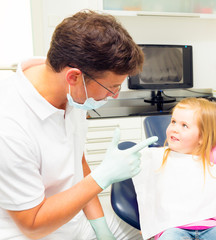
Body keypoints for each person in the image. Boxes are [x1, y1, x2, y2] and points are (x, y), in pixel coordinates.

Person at [0, 10, 157, 240]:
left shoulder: (71, 90)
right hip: (35, 231)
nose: (114, 95)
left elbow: (77, 160)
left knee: (154, 232)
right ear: (74, 77)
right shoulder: (10, 126)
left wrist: (100, 226)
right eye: (112, 87)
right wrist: (101, 177)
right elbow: (32, 225)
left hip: (75, 219)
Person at [132, 98, 216, 240]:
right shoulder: (162, 156)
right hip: (173, 225)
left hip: (211, 224)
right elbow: (151, 192)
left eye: (184, 125)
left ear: (202, 136)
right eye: (173, 122)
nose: (174, 128)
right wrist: (150, 224)